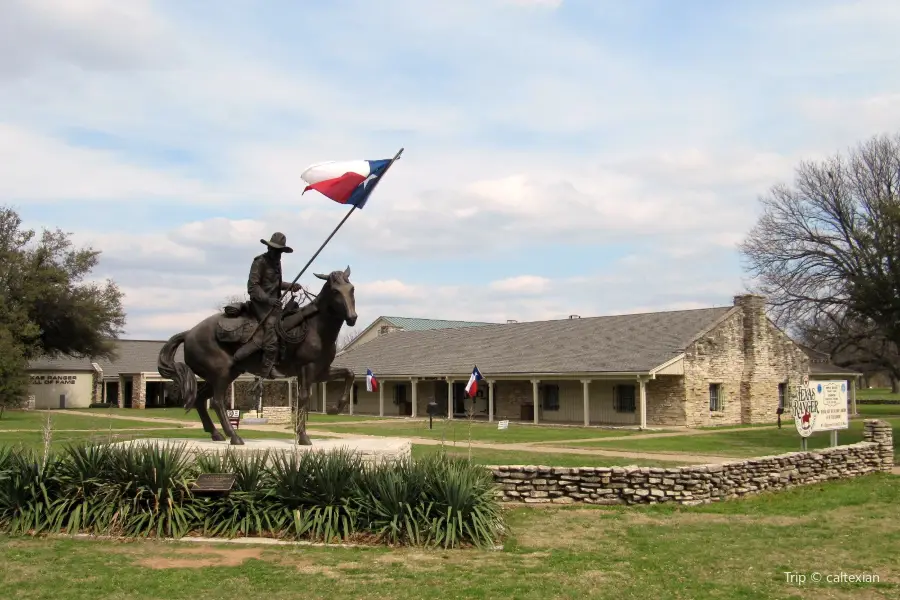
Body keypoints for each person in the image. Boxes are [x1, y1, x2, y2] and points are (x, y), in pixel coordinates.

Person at [233, 232, 301, 378]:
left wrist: (290, 285)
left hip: (274, 305)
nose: (278, 254)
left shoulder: (277, 263)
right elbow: (253, 286)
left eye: (280, 251)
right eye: (275, 250)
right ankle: (268, 367)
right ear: (269, 248)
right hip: (260, 304)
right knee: (272, 326)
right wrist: (267, 300)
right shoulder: (260, 262)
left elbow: (274, 284)